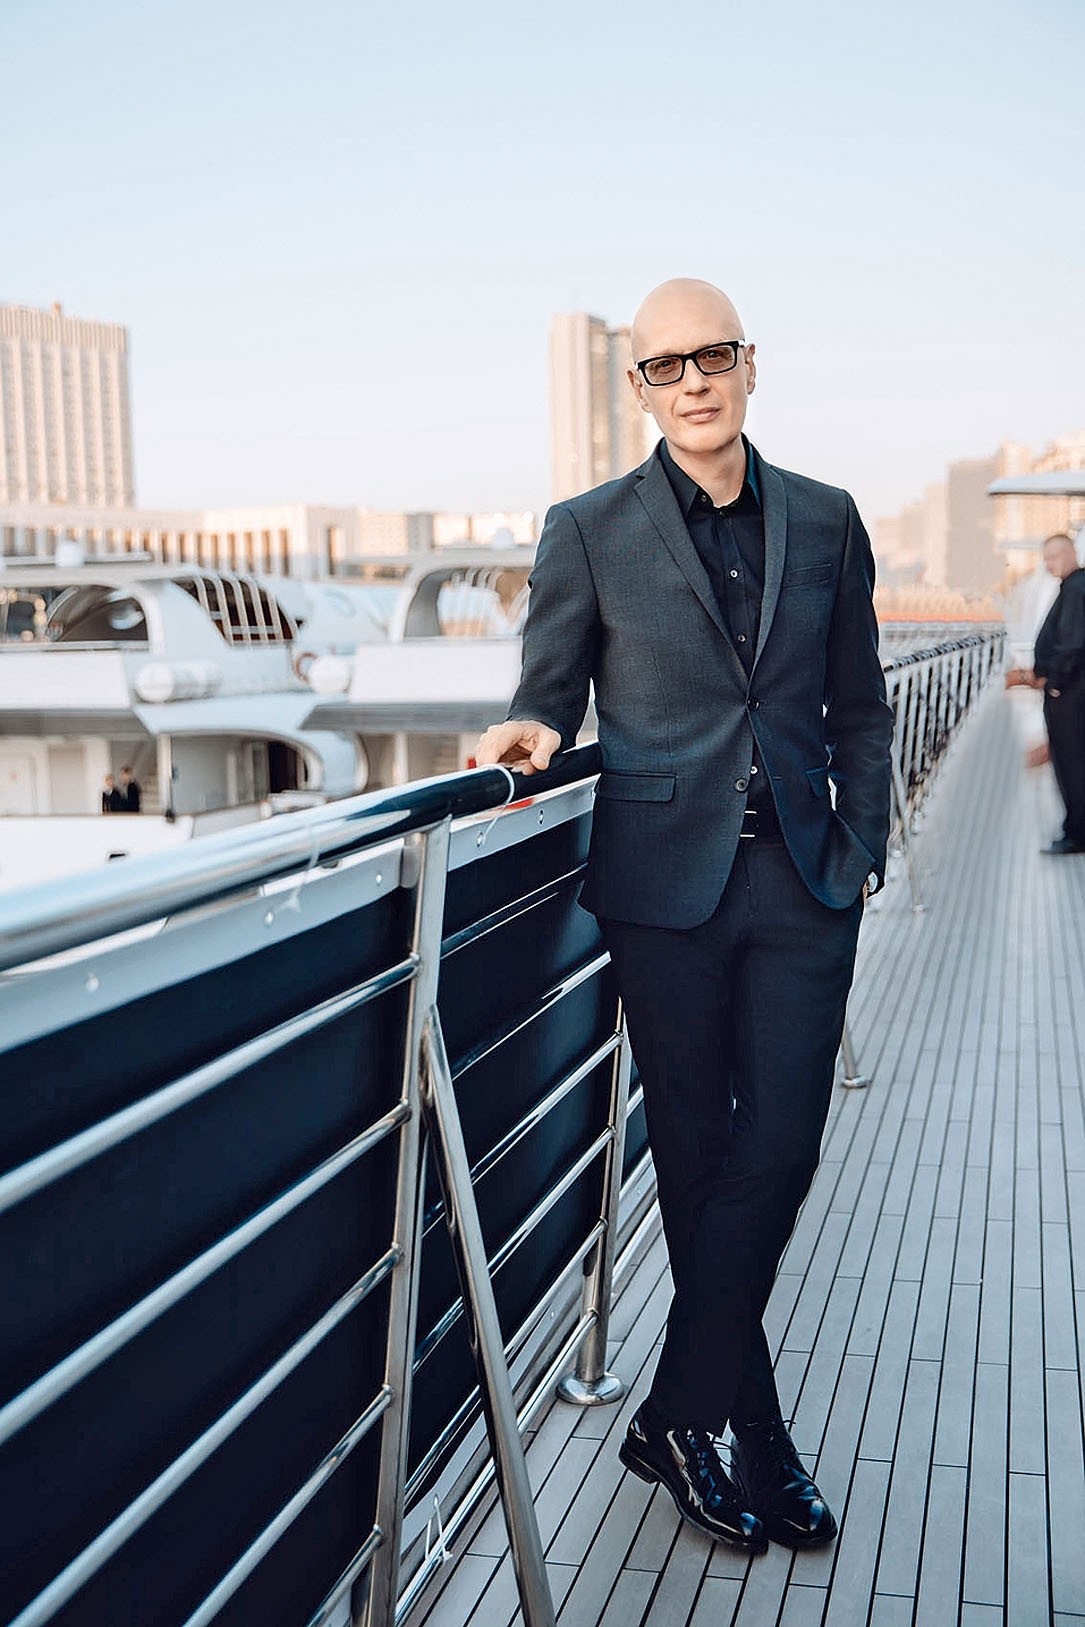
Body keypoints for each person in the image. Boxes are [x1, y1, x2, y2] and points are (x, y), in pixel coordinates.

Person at [476, 278, 893, 1555]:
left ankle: (672, 1414)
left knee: (783, 1148)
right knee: (702, 1162)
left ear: (749, 364)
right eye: (664, 365)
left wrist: (862, 844)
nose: (692, 381)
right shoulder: (587, 528)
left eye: (711, 356)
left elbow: (858, 702)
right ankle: (747, 1430)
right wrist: (527, 731)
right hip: (663, 891)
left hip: (804, 882)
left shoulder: (824, 517)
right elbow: (549, 688)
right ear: (639, 388)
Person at [1006, 533, 1085, 854]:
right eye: (1046, 558)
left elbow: (1073, 643)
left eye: (1053, 557)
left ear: (1070, 553)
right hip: (1070, 691)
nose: (1048, 564)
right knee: (1071, 761)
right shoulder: (1072, 587)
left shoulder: (1076, 589)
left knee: (1071, 762)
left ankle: (1078, 834)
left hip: (1069, 695)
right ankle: (1075, 828)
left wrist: (1055, 682)